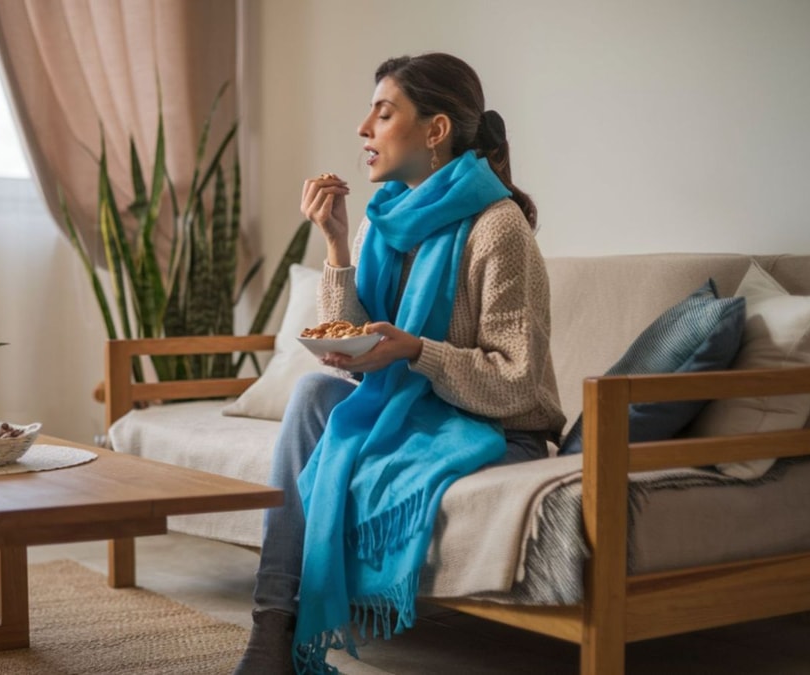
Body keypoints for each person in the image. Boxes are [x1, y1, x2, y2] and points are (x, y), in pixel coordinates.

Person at [232, 53, 567, 675]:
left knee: (334, 424)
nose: (364, 128)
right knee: (312, 395)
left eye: (383, 114)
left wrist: (415, 350)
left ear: (435, 130)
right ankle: (272, 624)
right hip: (406, 410)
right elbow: (353, 351)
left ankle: (277, 636)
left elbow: (516, 382)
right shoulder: (381, 218)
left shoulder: (498, 228)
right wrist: (336, 241)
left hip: (494, 427)